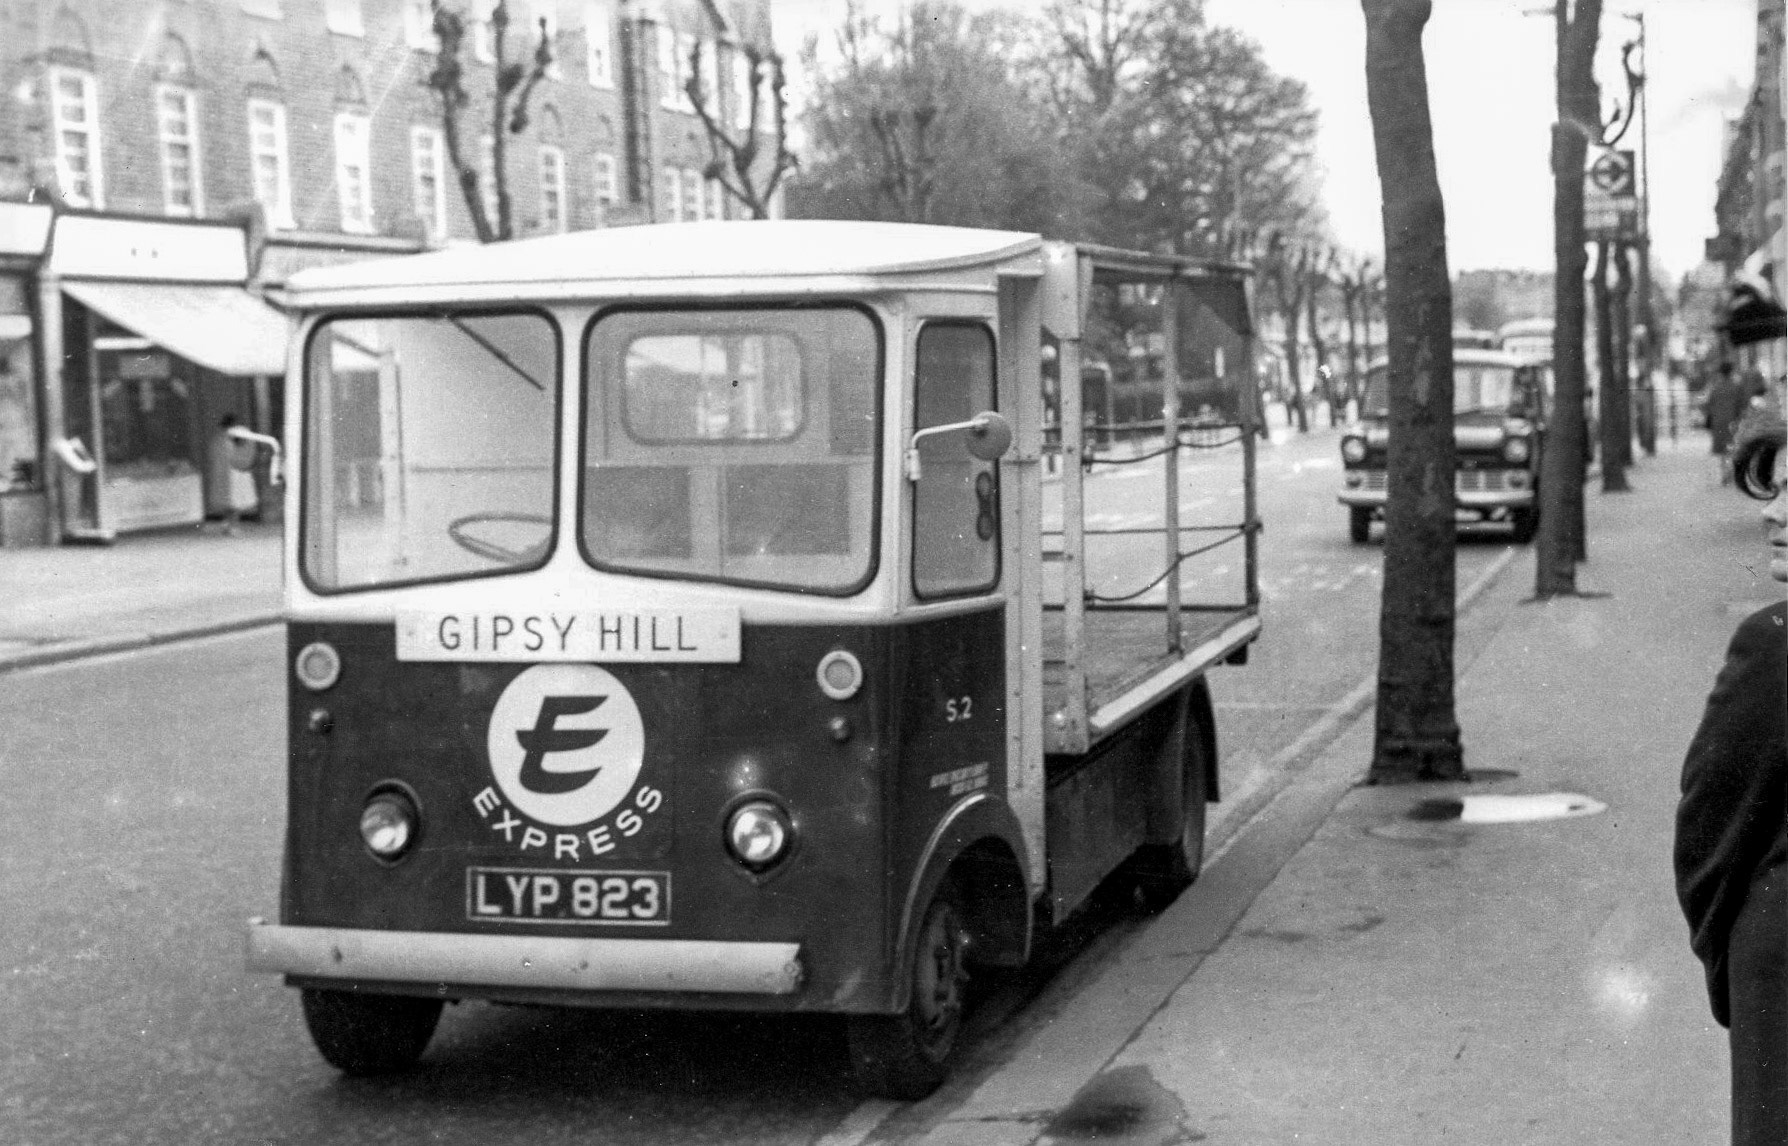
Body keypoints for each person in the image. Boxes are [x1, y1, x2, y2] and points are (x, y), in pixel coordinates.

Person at [1675, 410, 1787, 1146]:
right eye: (1776, 491)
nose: (1775, 514)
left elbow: (1708, 840)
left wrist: (1733, 962)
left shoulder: (1775, 647)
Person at [208, 413, 258, 535]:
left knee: (230, 500)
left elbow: (214, 454)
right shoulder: (236, 433)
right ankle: (232, 525)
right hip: (234, 472)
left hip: (230, 471)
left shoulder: (223, 436)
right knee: (235, 500)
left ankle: (229, 524)